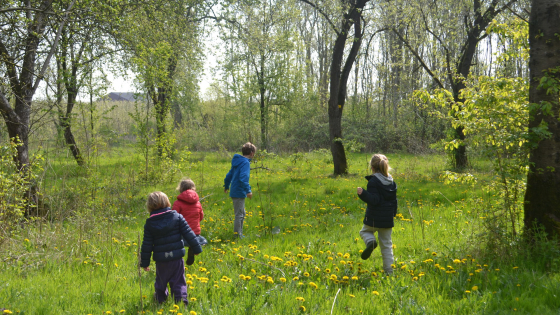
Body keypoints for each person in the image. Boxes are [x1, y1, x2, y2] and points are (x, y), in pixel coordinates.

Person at [140, 191, 202, 306]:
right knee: (178, 280)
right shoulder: (177, 217)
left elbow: (147, 244)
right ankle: (181, 300)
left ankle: (160, 299)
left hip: (161, 260)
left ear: (149, 206)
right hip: (176, 258)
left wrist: (145, 263)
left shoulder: (149, 224)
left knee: (161, 281)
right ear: (167, 202)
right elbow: (189, 234)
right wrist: (196, 249)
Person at [357, 154, 398, 275]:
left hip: (374, 218)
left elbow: (374, 200)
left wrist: (363, 193)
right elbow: (394, 201)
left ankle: (370, 242)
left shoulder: (373, 181)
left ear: (372, 168)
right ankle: (389, 272)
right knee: (386, 245)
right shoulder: (391, 181)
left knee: (365, 232)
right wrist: (392, 215)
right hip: (387, 219)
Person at [224, 142, 256, 238]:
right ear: (251, 153)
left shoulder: (237, 161)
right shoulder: (245, 163)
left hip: (235, 190)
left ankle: (240, 234)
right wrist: (248, 190)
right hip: (239, 191)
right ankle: (237, 236)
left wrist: (226, 185)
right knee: (239, 215)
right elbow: (243, 178)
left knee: (242, 213)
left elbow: (229, 175)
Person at [172, 178, 207, 264]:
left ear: (180, 189)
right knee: (192, 241)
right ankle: (192, 249)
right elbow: (201, 216)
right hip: (195, 232)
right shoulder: (198, 203)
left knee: (178, 243)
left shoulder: (177, 203)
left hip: (182, 232)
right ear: (193, 188)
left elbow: (174, 217)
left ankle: (179, 257)